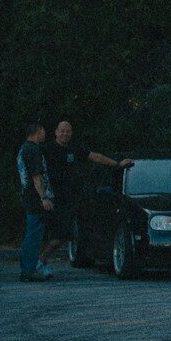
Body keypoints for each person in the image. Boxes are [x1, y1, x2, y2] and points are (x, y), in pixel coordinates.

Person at [40, 120, 134, 269]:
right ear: (56, 132)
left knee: (62, 235)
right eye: (62, 130)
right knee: (41, 232)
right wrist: (41, 195)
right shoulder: (46, 149)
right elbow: (33, 171)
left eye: (68, 131)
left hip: (65, 199)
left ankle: (41, 260)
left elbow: (95, 157)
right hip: (46, 198)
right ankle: (35, 263)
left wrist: (117, 164)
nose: (65, 133)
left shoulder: (74, 149)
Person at [16, 121, 54, 283]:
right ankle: (28, 270)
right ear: (37, 132)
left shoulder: (24, 149)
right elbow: (36, 176)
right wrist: (44, 197)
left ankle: (28, 268)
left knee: (32, 233)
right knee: (34, 234)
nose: (45, 134)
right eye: (43, 130)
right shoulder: (33, 150)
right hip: (34, 199)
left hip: (29, 197)